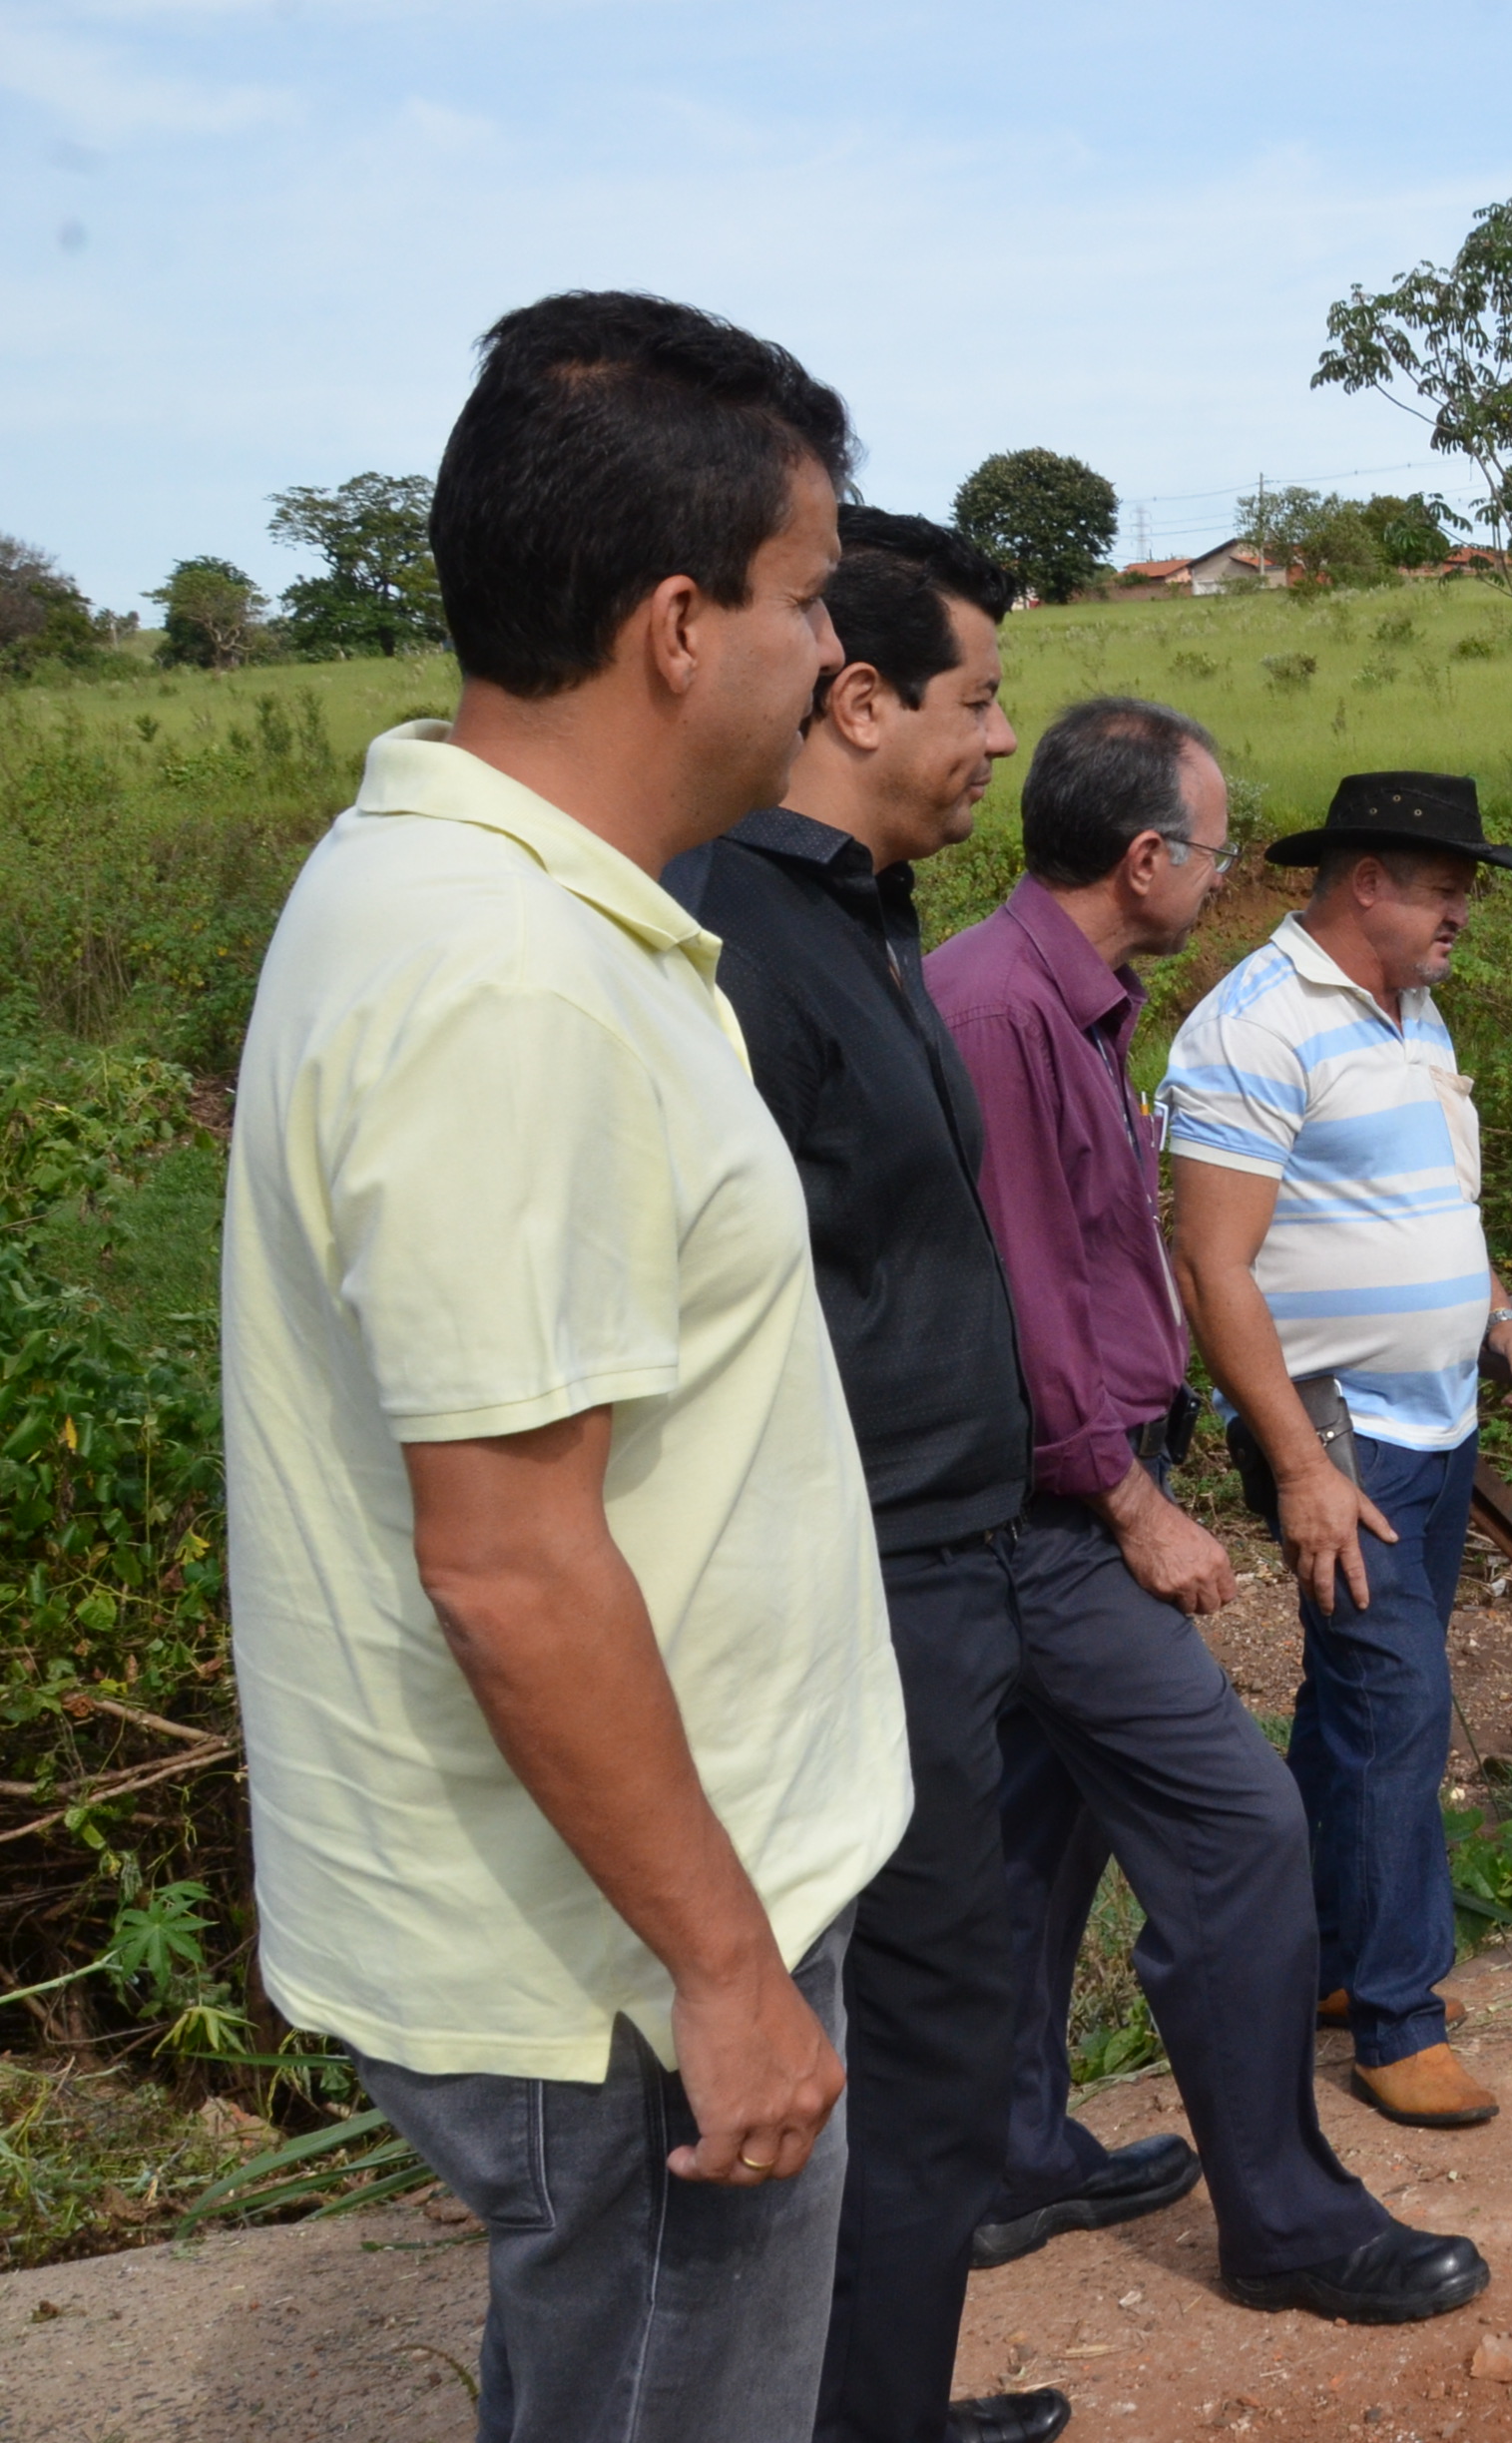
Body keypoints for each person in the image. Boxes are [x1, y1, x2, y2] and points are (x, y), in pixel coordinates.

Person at [222, 292, 905, 2443]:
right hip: (616, 1970)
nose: (831, 657)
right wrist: (726, 1967)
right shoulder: (507, 984)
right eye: (809, 601)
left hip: (639, 1916)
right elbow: (509, 1561)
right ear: (681, 626)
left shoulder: (511, 905)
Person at [926, 699, 1489, 2325]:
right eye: (1220, 844)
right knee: (1241, 1834)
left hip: (1109, 1477)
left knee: (1047, 1829)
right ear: (1148, 854)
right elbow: (1025, 1295)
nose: (1228, 873)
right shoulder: (1004, 1012)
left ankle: (1011, 2147)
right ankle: (1295, 2208)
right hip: (1062, 1503)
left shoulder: (1069, 999)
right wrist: (1129, 1494)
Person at [662, 509, 1067, 2443]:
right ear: (861, 694)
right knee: (916, 2033)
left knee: (932, 2024)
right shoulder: (737, 936)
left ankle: (877, 2398)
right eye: (978, 698)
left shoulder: (860, 912)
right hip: (867, 1582)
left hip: (950, 1559)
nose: (1002, 738)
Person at [1160, 770, 1512, 2133]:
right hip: (1340, 1434)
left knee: (1351, 1704)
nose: (1463, 915)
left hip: (1440, 1413)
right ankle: (1399, 2018)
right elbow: (1212, 1267)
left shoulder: (1410, 1008)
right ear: (1367, 883)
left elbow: (1442, 1194)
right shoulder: (1256, 1027)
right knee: (1397, 1712)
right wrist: (1299, 1468)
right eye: (1447, 890)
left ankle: (1328, 1958)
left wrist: (1497, 1312)